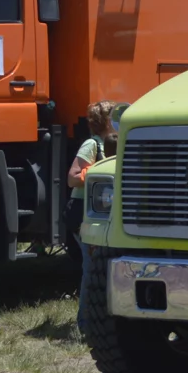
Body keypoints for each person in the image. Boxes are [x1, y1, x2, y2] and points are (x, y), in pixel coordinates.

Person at [67, 100, 117, 262]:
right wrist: (96, 172)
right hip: (82, 210)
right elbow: (72, 178)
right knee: (90, 263)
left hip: (102, 210)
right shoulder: (92, 144)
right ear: (107, 121)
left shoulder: (111, 142)